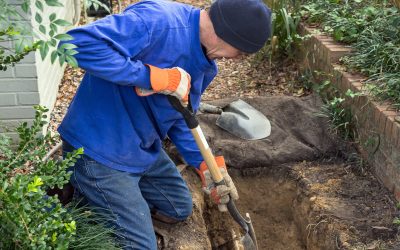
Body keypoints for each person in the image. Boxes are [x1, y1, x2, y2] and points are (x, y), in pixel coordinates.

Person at [59, 0, 271, 248]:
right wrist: (152, 77)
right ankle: (86, 199)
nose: (237, 60)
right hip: (98, 149)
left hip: (139, 147)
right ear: (227, 35)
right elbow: (73, 44)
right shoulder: (157, 22)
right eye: (242, 53)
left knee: (179, 207)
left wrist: (206, 166)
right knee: (141, 246)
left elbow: (182, 117)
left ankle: (117, 201)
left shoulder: (205, 65)